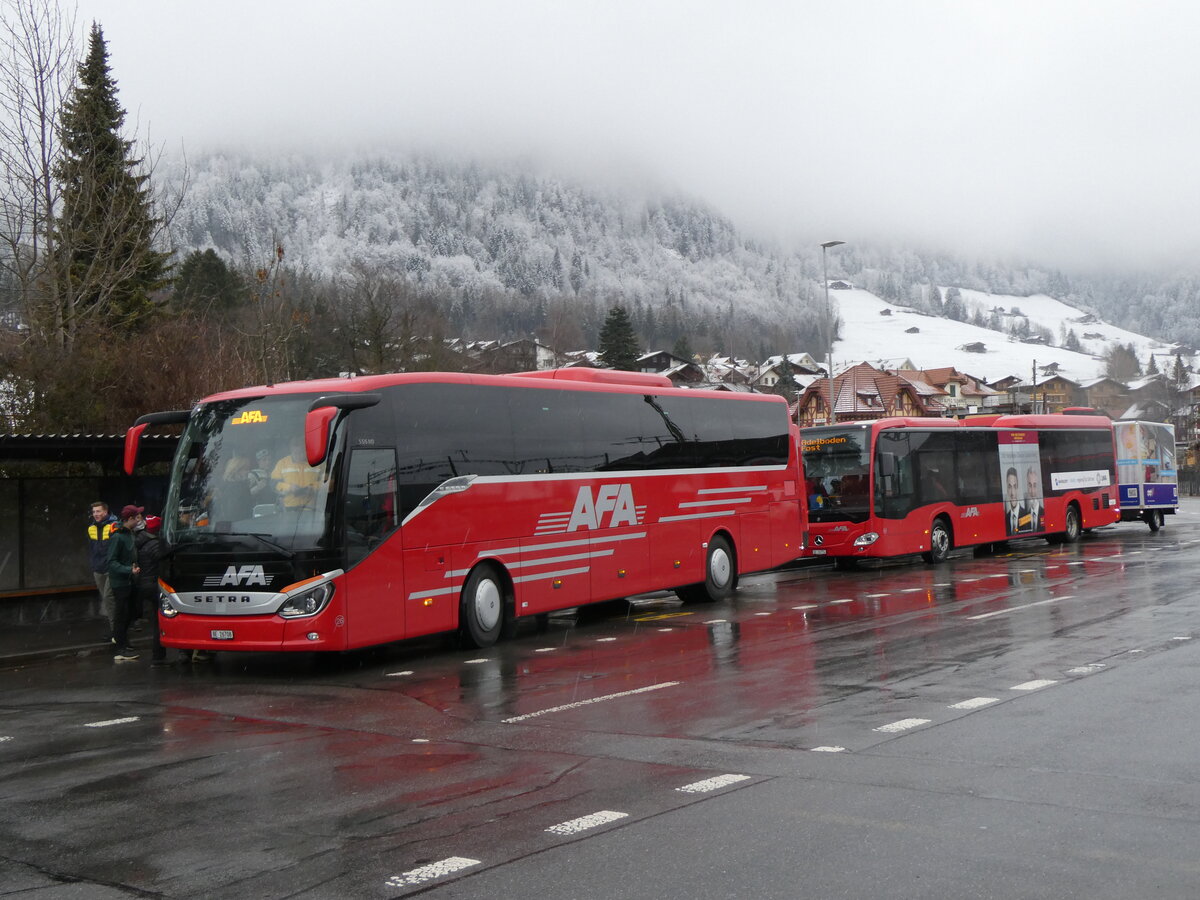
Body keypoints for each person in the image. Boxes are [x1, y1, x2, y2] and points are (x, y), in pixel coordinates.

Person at [107, 505, 143, 661]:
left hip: (130, 580)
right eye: (137, 517)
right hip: (121, 582)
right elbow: (112, 561)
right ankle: (120, 648)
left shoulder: (130, 533)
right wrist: (128, 569)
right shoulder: (118, 536)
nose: (139, 520)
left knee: (131, 613)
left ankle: (123, 641)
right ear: (130, 519)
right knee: (122, 614)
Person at [132, 510, 167, 666]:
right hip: (154, 584)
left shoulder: (140, 541)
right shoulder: (154, 544)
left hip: (144, 584)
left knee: (156, 619)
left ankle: (158, 656)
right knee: (159, 621)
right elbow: (162, 561)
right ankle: (158, 656)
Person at [271, 436, 321, 510]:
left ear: (306, 450)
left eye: (301, 452)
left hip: (311, 507)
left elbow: (328, 481)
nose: (298, 455)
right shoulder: (282, 463)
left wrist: (313, 487)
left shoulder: (317, 462)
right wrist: (289, 487)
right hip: (289, 507)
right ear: (291, 451)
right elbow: (273, 484)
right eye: (295, 452)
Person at [1005, 466, 1030, 535]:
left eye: (1015, 487)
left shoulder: (1026, 515)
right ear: (1007, 489)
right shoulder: (1006, 518)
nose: (1012, 493)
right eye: (1009, 487)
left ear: (1018, 489)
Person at [1023, 466, 1043, 532]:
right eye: (1029, 485)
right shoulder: (1024, 516)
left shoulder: (1043, 512)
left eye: (1035, 485)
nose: (1032, 491)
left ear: (1039, 487)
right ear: (1026, 486)